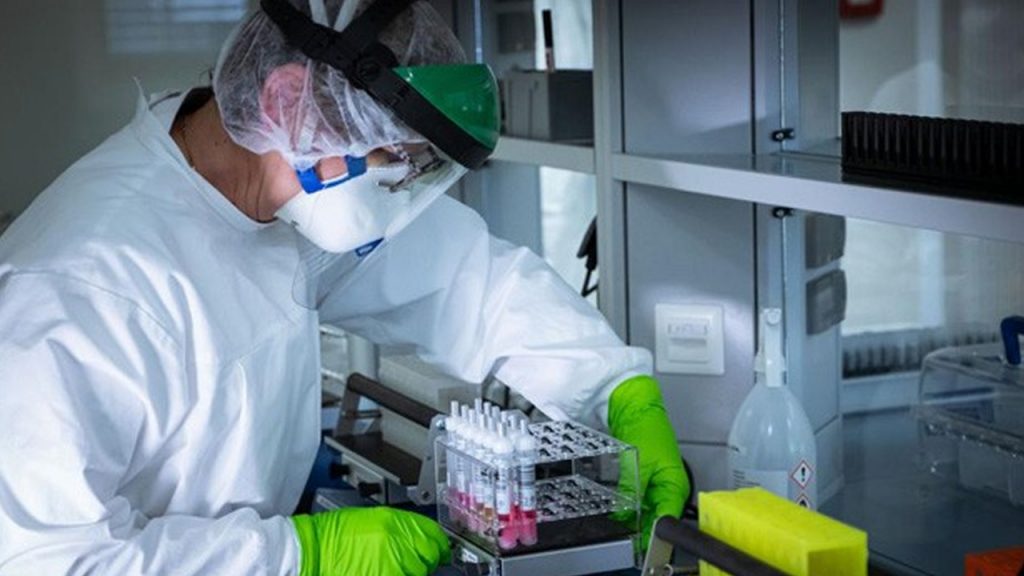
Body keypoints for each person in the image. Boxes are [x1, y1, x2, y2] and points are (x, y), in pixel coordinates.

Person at [0, 0, 688, 574]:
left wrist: (617, 389)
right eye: (393, 158)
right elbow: (44, 559)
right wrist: (302, 555)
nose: (399, 185)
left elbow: (471, 284)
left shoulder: (288, 186)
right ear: (287, 98)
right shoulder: (79, 287)